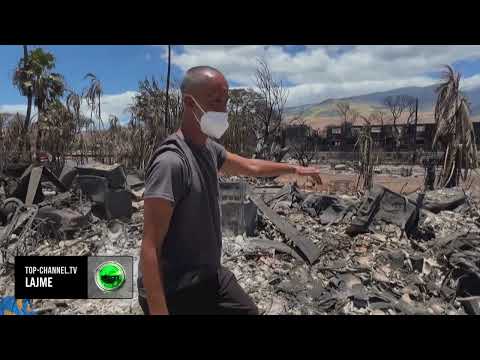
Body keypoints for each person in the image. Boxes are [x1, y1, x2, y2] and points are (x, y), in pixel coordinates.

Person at [138, 66, 321, 315]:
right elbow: (150, 246)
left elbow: (251, 166)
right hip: (174, 287)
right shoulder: (171, 162)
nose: (224, 110)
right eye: (215, 101)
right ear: (190, 103)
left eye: (226, 101)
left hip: (208, 275)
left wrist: (294, 169)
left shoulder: (209, 150)